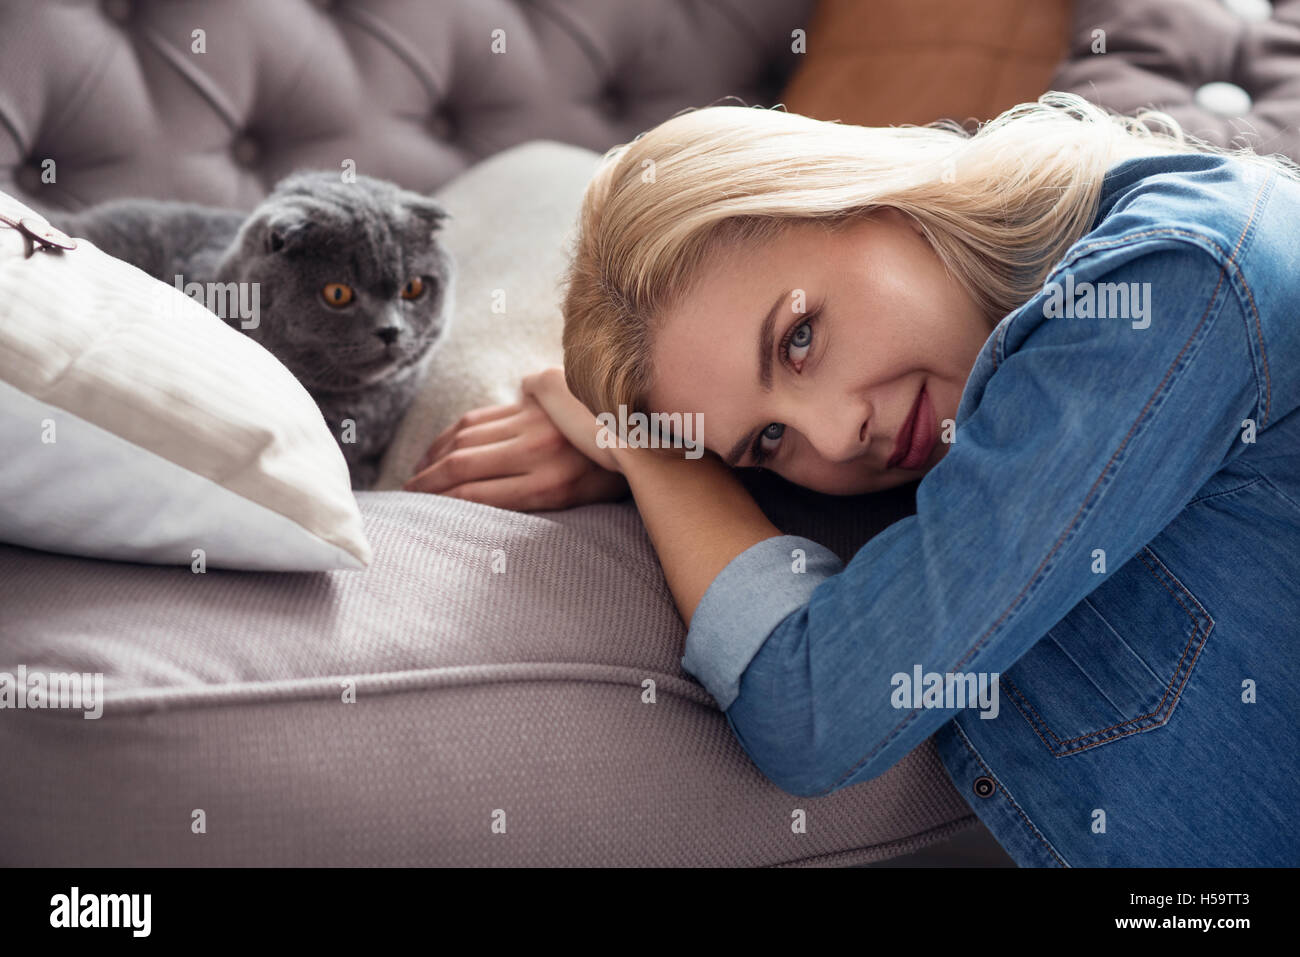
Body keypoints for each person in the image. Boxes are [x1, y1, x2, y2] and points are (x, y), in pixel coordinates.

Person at [405, 93, 1300, 867]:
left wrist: (648, 453)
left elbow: (816, 707)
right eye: (765, 441)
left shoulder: (1178, 275)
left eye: (799, 337)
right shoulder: (976, 429)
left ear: (877, 201)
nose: (837, 437)